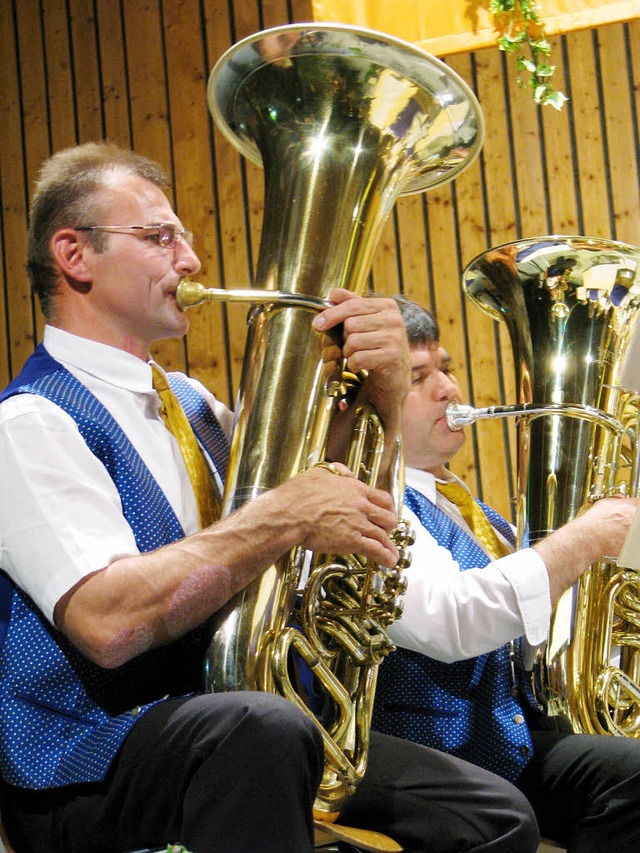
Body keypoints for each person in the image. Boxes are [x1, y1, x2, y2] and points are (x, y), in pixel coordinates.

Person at [0, 142, 543, 853]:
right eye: (161, 238)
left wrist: (374, 395)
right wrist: (286, 513)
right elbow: (108, 621)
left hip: (232, 721)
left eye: (187, 238)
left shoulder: (193, 403)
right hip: (86, 760)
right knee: (263, 732)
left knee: (491, 816)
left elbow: (322, 507)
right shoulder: (29, 421)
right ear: (74, 255)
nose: (190, 261)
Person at [372, 295, 640, 853]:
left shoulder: (474, 514)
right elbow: (450, 622)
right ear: (375, 398)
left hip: (501, 742)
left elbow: (532, 645)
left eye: (445, 367)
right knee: (507, 818)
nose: (448, 388)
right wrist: (585, 538)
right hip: (427, 752)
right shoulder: (377, 501)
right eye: (418, 376)